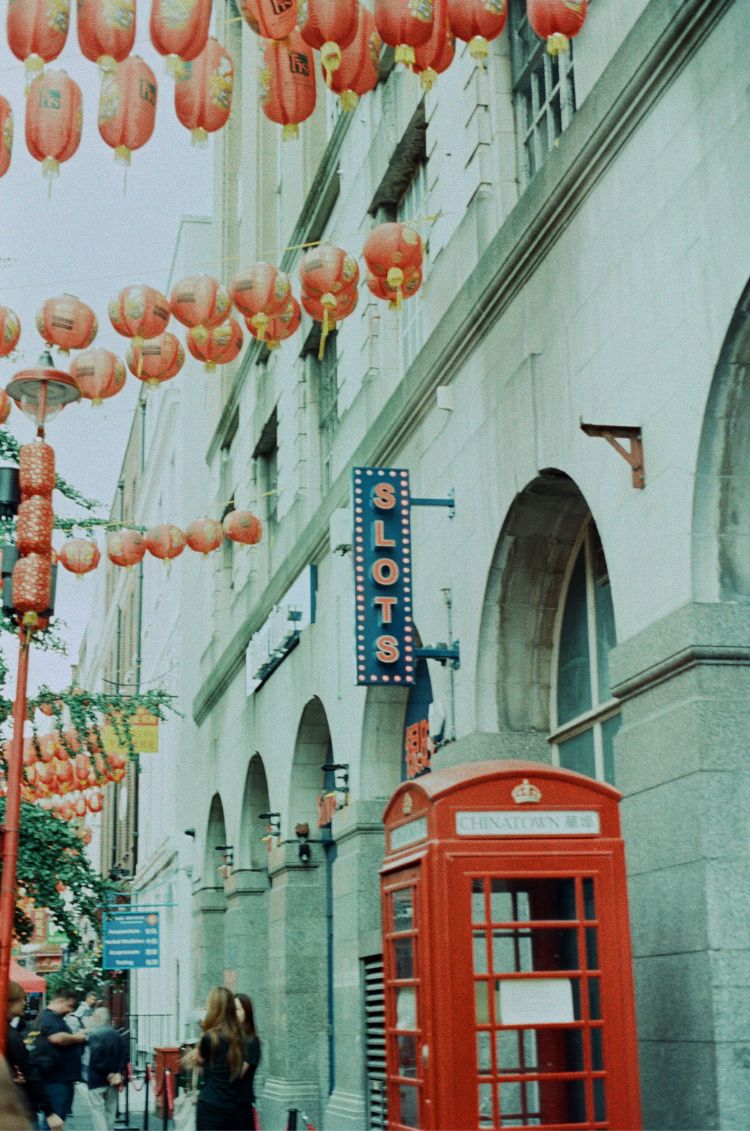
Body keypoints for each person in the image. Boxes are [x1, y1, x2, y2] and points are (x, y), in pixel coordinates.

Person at [5, 982, 62, 1131]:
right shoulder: (9, 1035)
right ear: (9, 1002)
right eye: (21, 999)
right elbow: (29, 1071)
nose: (25, 1002)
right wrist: (49, 1112)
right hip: (16, 1109)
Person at [194, 986, 248, 1131]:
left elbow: (199, 1064)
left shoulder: (209, 1037)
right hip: (232, 1105)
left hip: (210, 1105)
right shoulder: (241, 1038)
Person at [34, 988, 87, 1123]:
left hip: (59, 1078)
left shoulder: (53, 1018)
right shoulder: (49, 1017)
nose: (70, 1010)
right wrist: (78, 1038)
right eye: (69, 1006)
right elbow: (57, 1038)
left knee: (56, 1120)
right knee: (54, 1121)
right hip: (56, 1079)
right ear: (60, 1001)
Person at [86, 1008, 128, 1131]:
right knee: (111, 1108)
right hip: (114, 1080)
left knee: (97, 1110)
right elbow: (124, 1056)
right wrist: (117, 1072)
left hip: (96, 1079)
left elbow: (95, 1059)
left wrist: (108, 1073)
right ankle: (109, 1129)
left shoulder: (94, 1036)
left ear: (99, 1018)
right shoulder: (118, 1036)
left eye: (94, 1017)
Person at [235, 995, 261, 1130]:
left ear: (247, 1011)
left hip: (241, 1103)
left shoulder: (251, 1041)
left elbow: (237, 1073)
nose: (234, 1013)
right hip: (228, 1102)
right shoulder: (232, 1038)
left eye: (238, 1009)